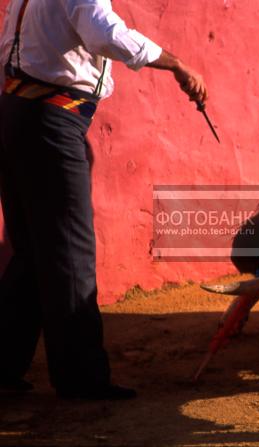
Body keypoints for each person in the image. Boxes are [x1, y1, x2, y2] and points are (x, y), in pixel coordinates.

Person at [0, 0, 207, 400]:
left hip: (18, 112)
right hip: (50, 120)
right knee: (70, 253)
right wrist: (177, 64)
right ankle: (81, 379)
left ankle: (5, 363)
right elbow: (107, 35)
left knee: (30, 249)